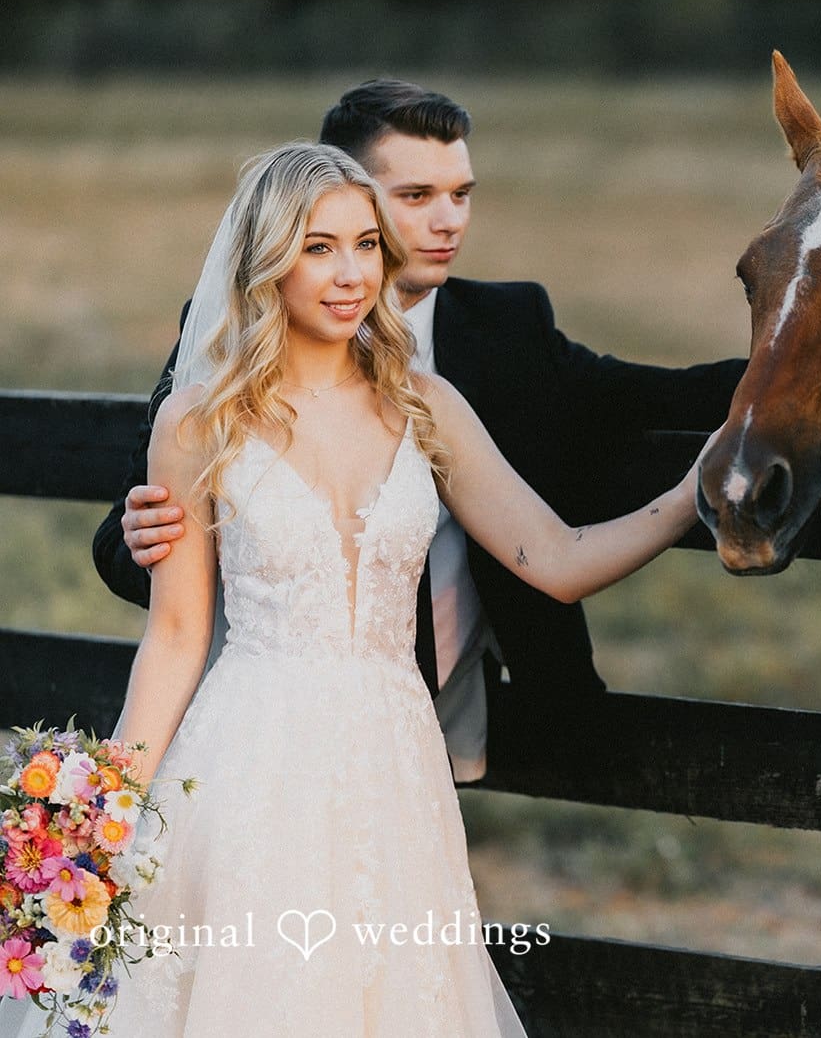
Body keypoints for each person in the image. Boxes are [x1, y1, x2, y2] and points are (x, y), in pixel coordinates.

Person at [8, 142, 719, 1035]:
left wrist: (697, 491)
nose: (350, 274)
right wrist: (99, 818)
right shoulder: (200, 422)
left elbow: (559, 558)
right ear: (268, 259)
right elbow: (178, 636)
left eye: (366, 245)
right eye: (318, 247)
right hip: (250, 758)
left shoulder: (426, 404)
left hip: (393, 759)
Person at [92, 80, 744, 785]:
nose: (447, 221)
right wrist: (149, 536)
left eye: (461, 194)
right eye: (415, 197)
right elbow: (164, 612)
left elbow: (632, 422)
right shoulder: (211, 380)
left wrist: (793, 390)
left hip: (413, 731)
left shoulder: (468, 364)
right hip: (259, 730)